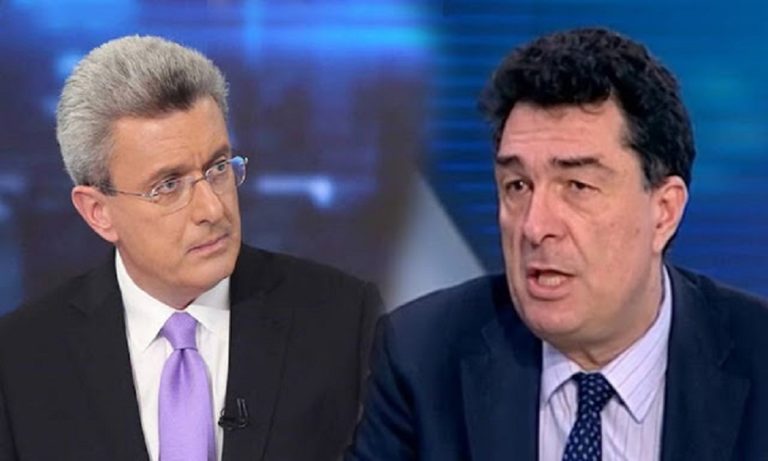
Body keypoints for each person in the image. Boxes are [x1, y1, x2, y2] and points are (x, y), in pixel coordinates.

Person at [347, 27, 768, 461]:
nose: (535, 226)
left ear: (664, 210)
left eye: (577, 186)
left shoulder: (759, 360)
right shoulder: (423, 357)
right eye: (517, 185)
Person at [0, 35, 381, 461]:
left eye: (218, 168)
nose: (212, 209)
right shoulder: (19, 361)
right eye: (168, 185)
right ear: (98, 212)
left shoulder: (343, 319)